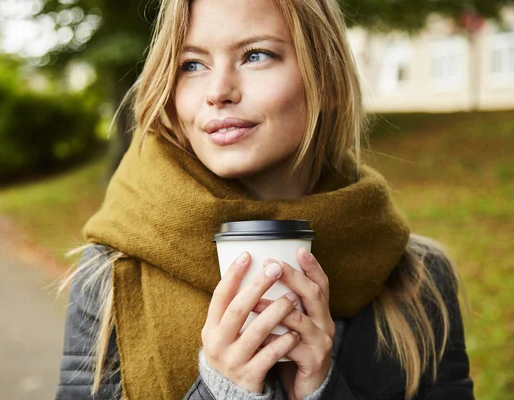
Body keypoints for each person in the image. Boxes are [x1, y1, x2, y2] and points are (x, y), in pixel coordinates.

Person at [54, 0, 474, 399]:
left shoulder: (420, 282)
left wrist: (323, 392)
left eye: (255, 55)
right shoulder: (112, 273)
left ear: (325, 79)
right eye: (192, 64)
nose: (218, 91)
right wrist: (222, 391)